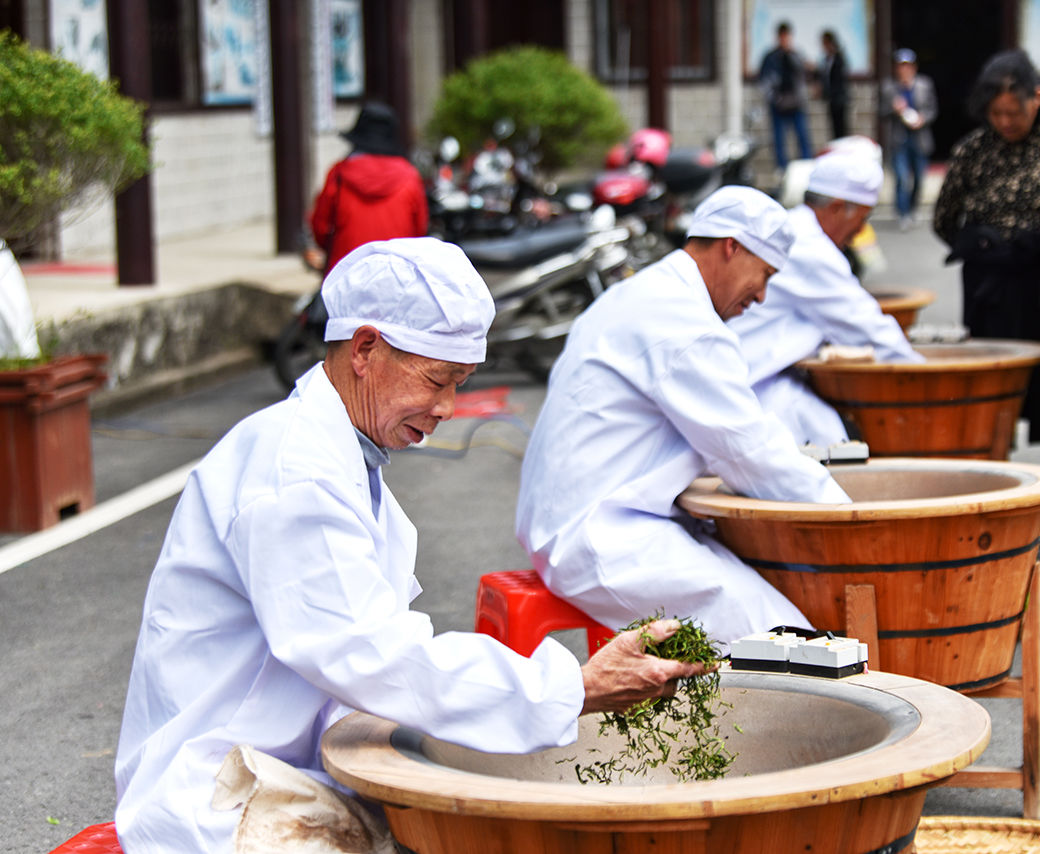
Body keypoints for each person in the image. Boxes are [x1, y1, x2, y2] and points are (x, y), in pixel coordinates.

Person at [114, 239, 706, 853]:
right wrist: (573, 689)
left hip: (286, 760)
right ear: (366, 348)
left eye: (461, 384)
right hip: (219, 792)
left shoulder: (337, 456)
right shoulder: (295, 473)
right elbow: (369, 653)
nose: (449, 407)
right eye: (438, 380)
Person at [515, 186, 851, 647]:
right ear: (733, 247)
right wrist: (852, 519)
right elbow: (750, 451)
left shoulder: (645, 292)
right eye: (764, 274)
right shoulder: (684, 322)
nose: (762, 296)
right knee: (790, 640)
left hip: (586, 519)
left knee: (763, 605)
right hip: (602, 537)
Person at [932, 50, 1040, 550]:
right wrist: (981, 244)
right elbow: (944, 217)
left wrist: (1039, 243)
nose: (1005, 123)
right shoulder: (973, 150)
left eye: (1014, 113)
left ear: (1037, 99)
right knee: (995, 409)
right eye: (996, 114)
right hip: (992, 293)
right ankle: (996, 512)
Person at [729, 150, 923, 446]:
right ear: (836, 207)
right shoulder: (809, 248)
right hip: (756, 386)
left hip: (760, 378)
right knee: (835, 448)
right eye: (863, 218)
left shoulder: (794, 228)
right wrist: (926, 376)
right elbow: (865, 327)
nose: (861, 230)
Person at [309, 102, 428, 275]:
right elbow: (419, 230)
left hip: (346, 275)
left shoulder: (339, 174)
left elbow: (320, 227)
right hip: (397, 276)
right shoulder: (410, 176)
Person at [879, 48, 937, 230]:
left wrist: (922, 119)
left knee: (919, 177)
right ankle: (902, 213)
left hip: (919, 138)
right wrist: (894, 109)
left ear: (913, 67)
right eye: (900, 66)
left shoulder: (924, 85)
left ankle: (912, 209)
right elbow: (881, 112)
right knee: (902, 177)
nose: (904, 70)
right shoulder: (888, 87)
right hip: (899, 139)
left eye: (907, 66)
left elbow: (933, 109)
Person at [759, 21, 813, 172]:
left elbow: (803, 74)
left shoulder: (795, 55)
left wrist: (791, 54)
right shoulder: (770, 58)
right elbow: (764, 81)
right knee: (778, 140)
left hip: (796, 104)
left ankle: (806, 168)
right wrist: (774, 98)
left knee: (803, 137)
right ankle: (781, 169)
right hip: (778, 105)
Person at [818, 30, 849, 141]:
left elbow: (839, 80)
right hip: (831, 100)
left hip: (839, 99)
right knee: (834, 129)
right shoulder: (826, 60)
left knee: (841, 128)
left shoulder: (838, 58)